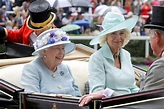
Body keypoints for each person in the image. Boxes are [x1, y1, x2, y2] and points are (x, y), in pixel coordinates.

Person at [79, 12, 139, 106]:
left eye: (121, 33)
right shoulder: (97, 58)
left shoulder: (126, 55)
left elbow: (132, 87)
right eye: (113, 33)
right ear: (106, 36)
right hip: (110, 105)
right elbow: (97, 92)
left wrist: (142, 98)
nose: (118, 38)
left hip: (130, 104)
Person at [21, 28, 82, 97]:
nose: (61, 53)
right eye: (57, 48)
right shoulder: (31, 69)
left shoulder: (65, 68)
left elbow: (77, 95)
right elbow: (32, 100)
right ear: (44, 51)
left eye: (63, 48)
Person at [140, 6, 164, 91]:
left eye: (150, 36)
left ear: (157, 37)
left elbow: (141, 99)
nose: (150, 41)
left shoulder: (160, 65)